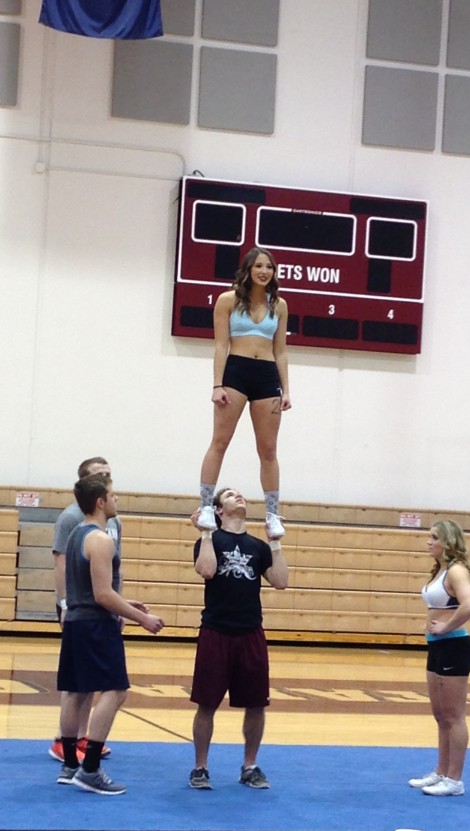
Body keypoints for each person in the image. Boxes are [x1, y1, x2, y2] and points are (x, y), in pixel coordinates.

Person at [56, 474, 164, 795]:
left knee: (75, 693)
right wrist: (141, 618)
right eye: (113, 496)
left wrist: (123, 602)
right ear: (101, 502)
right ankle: (90, 768)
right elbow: (103, 595)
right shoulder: (102, 540)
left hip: (76, 620)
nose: (117, 500)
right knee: (116, 691)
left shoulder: (76, 534)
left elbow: (88, 587)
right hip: (95, 624)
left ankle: (70, 765)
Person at [189, 486, 288, 791]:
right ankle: (201, 767)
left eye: (240, 494)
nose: (239, 496)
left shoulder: (257, 547)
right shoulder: (210, 540)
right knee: (207, 703)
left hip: (250, 632)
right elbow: (206, 570)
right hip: (216, 631)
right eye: (230, 495)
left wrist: (275, 543)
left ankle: (250, 765)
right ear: (218, 510)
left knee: (256, 704)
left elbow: (281, 581)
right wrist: (206, 532)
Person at [196, 248, 290, 541]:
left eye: (269, 267)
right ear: (248, 269)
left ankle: (273, 514)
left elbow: (281, 351)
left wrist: (286, 389)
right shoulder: (228, 300)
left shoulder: (280, 305)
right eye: (259, 266)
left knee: (269, 449)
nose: (264, 271)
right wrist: (217, 384)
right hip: (235, 372)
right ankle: (206, 506)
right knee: (220, 441)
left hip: (266, 375)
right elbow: (221, 345)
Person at [48, 456, 119, 764]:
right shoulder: (72, 520)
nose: (106, 478)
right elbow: (61, 561)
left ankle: (81, 738)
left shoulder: (113, 522)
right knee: (78, 685)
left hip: (103, 604)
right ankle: (66, 742)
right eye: (99, 475)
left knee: (88, 682)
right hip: (83, 605)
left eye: (108, 473)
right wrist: (65, 603)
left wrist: (122, 602)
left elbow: (117, 568)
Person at [409, 519, 470, 798]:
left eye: (434, 537)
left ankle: (455, 779)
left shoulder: (457, 571)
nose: (429, 542)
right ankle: (440, 771)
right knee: (440, 716)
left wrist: (446, 626)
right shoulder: (441, 570)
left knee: (454, 715)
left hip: (454, 646)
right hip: (437, 647)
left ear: (448, 541)